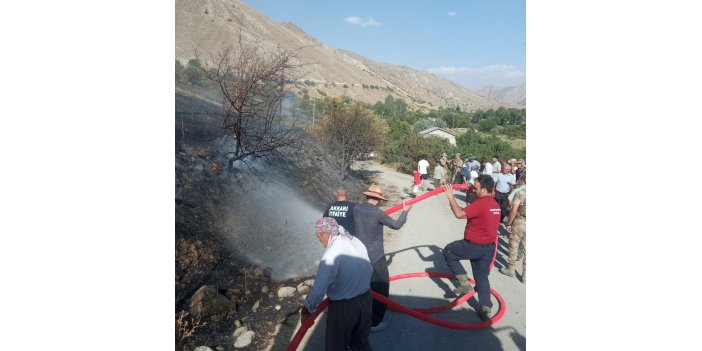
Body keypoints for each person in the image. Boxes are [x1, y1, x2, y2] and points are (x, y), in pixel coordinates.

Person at [301, 217, 373, 351]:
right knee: (360, 343)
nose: (319, 240)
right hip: (366, 300)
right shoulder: (355, 241)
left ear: (324, 234)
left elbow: (318, 290)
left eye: (318, 236)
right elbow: (369, 269)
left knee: (336, 346)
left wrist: (306, 309)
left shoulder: (331, 255)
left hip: (344, 309)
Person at [353, 185, 413, 331]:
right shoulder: (378, 213)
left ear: (367, 196)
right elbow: (396, 225)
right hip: (375, 256)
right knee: (381, 288)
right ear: (379, 200)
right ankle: (374, 322)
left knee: (360, 287)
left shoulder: (356, 209)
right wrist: (405, 212)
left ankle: (358, 316)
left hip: (358, 255)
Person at [441, 175, 501, 321]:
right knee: (481, 278)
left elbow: (459, 213)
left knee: (449, 251)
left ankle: (463, 283)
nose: (473, 190)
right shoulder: (495, 205)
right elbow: (479, 213)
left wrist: (450, 197)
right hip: (488, 249)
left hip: (474, 246)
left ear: (484, 189)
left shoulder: (482, 203)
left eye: (476, 188)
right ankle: (486, 309)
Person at [500, 173, 527, 283]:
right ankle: (525, 276)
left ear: (522, 179)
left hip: (520, 222)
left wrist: (509, 224)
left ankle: (510, 269)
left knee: (513, 245)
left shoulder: (521, 192)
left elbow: (513, 210)